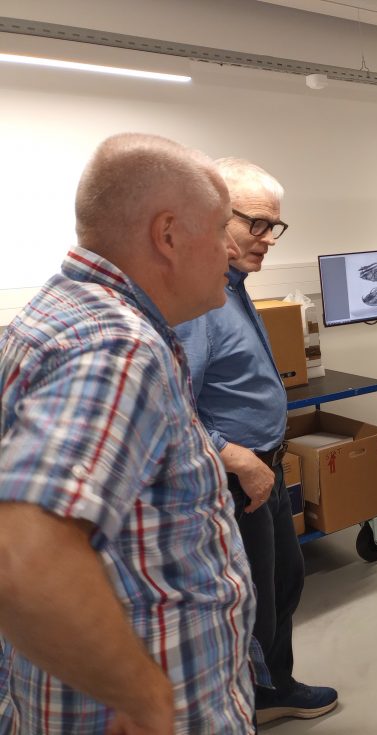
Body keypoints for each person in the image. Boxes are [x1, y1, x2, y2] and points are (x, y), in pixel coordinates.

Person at [0, 133, 255, 733]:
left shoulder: (53, 315)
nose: (229, 252)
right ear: (167, 235)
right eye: (220, 231)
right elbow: (22, 556)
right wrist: (143, 697)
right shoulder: (118, 346)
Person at [174, 158, 337, 725]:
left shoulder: (234, 284)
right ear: (212, 217)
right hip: (236, 477)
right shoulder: (196, 302)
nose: (268, 239)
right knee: (250, 604)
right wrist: (235, 453)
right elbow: (172, 403)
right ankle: (245, 700)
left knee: (283, 583)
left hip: (263, 469)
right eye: (257, 225)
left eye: (275, 228)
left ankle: (274, 686)